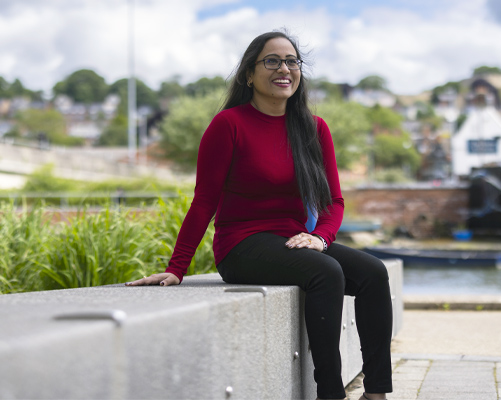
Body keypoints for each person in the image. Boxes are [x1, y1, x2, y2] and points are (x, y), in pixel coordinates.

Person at [125, 30, 393, 400]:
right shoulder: (229, 125)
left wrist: (321, 237)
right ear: (249, 74)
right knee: (327, 272)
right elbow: (204, 200)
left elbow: (334, 201)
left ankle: (377, 392)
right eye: (272, 61)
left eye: (292, 62)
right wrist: (177, 267)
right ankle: (330, 394)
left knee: (373, 273)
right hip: (242, 246)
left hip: (298, 242)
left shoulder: (315, 130)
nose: (284, 69)